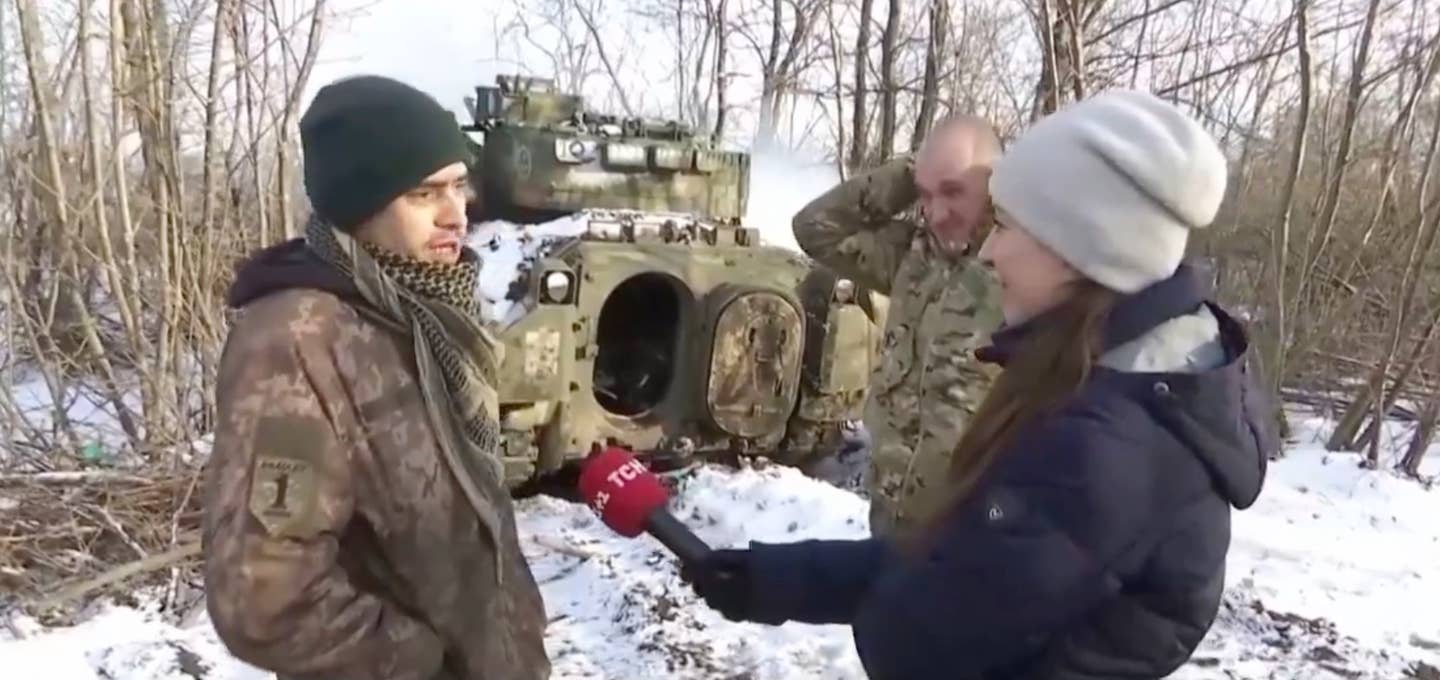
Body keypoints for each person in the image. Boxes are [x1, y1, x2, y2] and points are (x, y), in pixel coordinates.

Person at [683, 90, 1276, 679]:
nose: (992, 249)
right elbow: (961, 567)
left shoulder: (1101, 446)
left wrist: (888, 605)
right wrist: (782, 581)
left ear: (1079, 247)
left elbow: (913, 642)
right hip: (927, 519)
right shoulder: (1121, 374)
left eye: (1009, 223)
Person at [201, 75, 550, 680]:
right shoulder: (299, 341)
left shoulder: (426, 314)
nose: (455, 215)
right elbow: (265, 597)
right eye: (423, 194)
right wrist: (422, 662)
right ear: (360, 205)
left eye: (459, 187)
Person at [791, 115, 1005, 537]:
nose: (937, 213)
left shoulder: (1025, 269)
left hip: (975, 530)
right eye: (926, 195)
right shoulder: (912, 256)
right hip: (893, 515)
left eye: (954, 191)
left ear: (996, 184)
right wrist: (914, 172)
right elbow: (815, 229)